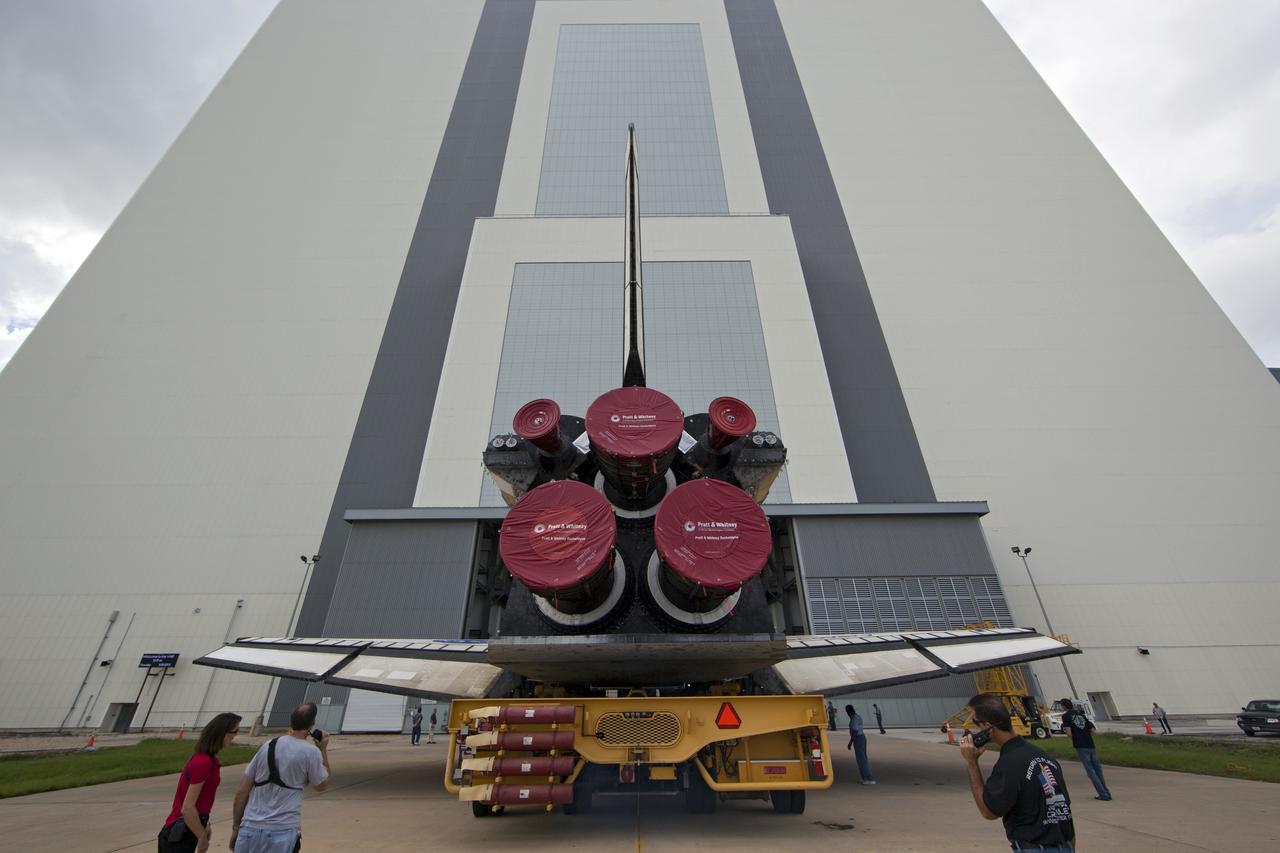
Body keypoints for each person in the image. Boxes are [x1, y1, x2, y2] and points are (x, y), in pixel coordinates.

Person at [959, 693, 1074, 852]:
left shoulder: (1009, 764)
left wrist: (971, 762)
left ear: (987, 727)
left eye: (976, 724)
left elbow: (989, 811)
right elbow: (1065, 811)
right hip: (1065, 846)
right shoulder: (1046, 758)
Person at [231, 703, 331, 853]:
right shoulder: (310, 752)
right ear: (312, 723)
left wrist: (236, 827)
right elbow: (321, 785)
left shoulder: (267, 745)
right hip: (283, 831)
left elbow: (242, 791)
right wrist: (322, 750)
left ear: (290, 722)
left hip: (250, 828)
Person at [158, 712, 241, 853]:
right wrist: (202, 836)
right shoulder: (203, 762)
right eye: (235, 731)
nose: (235, 735)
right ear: (221, 733)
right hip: (179, 834)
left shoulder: (209, 760)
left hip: (189, 828)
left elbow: (200, 801)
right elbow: (187, 808)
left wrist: (204, 824)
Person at [1061, 698, 1111, 801]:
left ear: (1064, 706)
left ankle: (1103, 794)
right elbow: (1093, 730)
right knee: (1098, 770)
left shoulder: (1066, 716)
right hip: (1090, 744)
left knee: (1090, 771)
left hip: (1081, 745)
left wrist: (1075, 738)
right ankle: (1106, 792)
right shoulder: (1081, 714)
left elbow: (1069, 732)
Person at [844, 704, 875, 784]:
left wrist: (850, 742)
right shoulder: (857, 717)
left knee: (862, 759)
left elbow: (855, 731)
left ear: (848, 711)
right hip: (861, 738)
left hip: (858, 738)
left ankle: (869, 778)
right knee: (862, 758)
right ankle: (865, 778)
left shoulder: (854, 718)